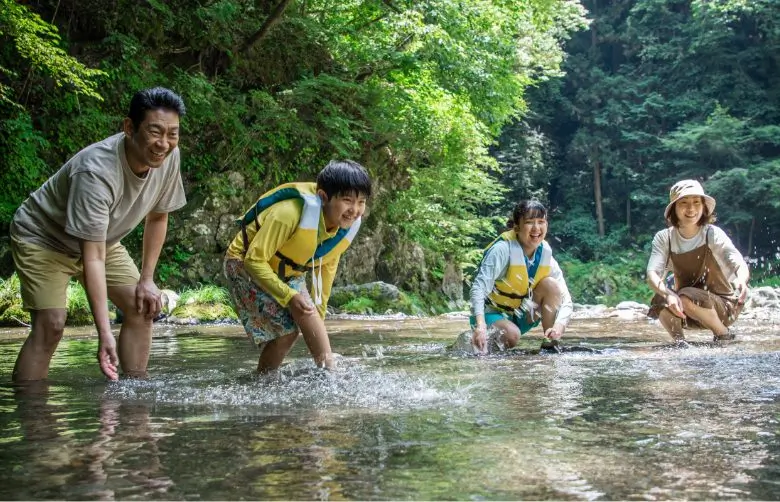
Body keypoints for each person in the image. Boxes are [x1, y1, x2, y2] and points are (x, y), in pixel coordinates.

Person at [9, 87, 188, 382]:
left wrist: (147, 279)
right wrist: (103, 334)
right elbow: (91, 258)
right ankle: (33, 416)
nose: (163, 144)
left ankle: (134, 402)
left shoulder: (169, 157)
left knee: (143, 306)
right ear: (129, 127)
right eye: (155, 132)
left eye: (173, 134)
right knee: (51, 324)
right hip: (43, 237)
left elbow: (158, 216)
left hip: (101, 240)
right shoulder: (95, 170)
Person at [224, 160, 372, 372]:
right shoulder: (288, 214)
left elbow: (327, 267)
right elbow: (253, 260)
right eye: (347, 200)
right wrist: (289, 296)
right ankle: (263, 383)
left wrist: (318, 314)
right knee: (286, 333)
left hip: (289, 271)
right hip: (243, 264)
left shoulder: (344, 226)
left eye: (361, 202)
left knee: (309, 313)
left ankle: (329, 374)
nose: (355, 210)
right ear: (323, 197)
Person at [646, 179, 749, 343]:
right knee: (661, 299)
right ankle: (680, 344)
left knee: (686, 295)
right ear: (674, 208)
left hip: (723, 307)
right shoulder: (664, 238)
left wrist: (742, 281)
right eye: (684, 203)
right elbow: (652, 274)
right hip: (684, 309)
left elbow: (736, 260)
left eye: (696, 202)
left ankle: (723, 335)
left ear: (704, 207)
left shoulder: (712, 234)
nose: (691, 208)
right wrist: (668, 294)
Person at [469, 200, 573, 354]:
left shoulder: (545, 254)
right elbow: (478, 288)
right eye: (530, 222)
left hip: (521, 315)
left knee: (551, 285)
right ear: (516, 227)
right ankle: (477, 341)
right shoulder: (502, 250)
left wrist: (559, 325)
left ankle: (550, 343)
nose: (536, 228)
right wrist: (480, 325)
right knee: (512, 335)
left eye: (541, 222)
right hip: (491, 314)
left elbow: (565, 298)